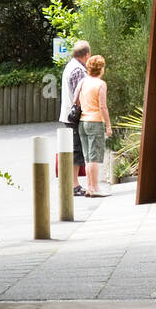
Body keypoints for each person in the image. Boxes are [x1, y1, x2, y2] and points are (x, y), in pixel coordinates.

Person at [78, 54, 113, 197]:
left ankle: (90, 186)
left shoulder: (84, 82)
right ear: (101, 69)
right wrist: (108, 126)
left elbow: (78, 101)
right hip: (95, 122)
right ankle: (94, 188)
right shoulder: (100, 84)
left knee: (87, 157)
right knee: (94, 157)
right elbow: (103, 107)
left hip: (83, 122)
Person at [59, 40, 90, 197]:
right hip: (75, 116)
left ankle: (73, 184)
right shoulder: (78, 70)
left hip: (68, 114)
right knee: (77, 149)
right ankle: (74, 185)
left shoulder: (71, 65)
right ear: (87, 55)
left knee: (75, 148)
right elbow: (80, 96)